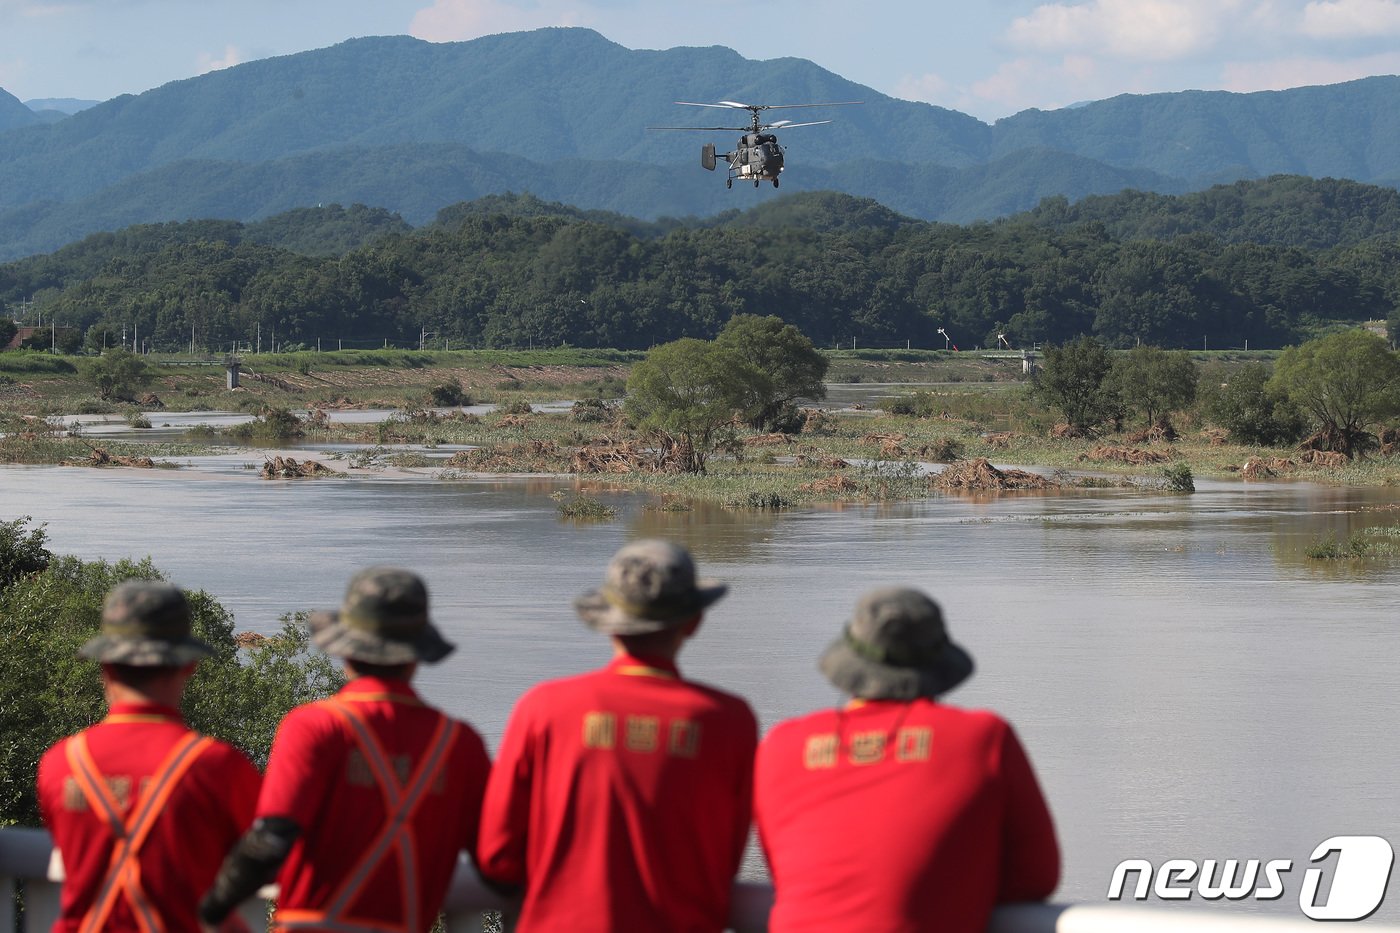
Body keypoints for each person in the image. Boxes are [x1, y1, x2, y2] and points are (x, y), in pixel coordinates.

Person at [477, 539, 758, 932]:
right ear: (693, 622)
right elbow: (725, 858)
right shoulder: (730, 721)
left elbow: (497, 854)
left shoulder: (542, 708)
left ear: (608, 621)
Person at [198, 567, 492, 933]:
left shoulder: (316, 727)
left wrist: (212, 907)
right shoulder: (461, 744)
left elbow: (271, 838)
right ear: (415, 655)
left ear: (346, 650)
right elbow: (495, 856)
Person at [755, 587, 1060, 933]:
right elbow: (1037, 878)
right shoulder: (982, 737)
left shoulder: (781, 744)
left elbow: (787, 869)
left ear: (850, 662)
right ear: (938, 662)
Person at [37, 579, 262, 933]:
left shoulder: (60, 763)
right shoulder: (217, 766)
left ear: (106, 667)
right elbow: (262, 856)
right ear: (188, 666)